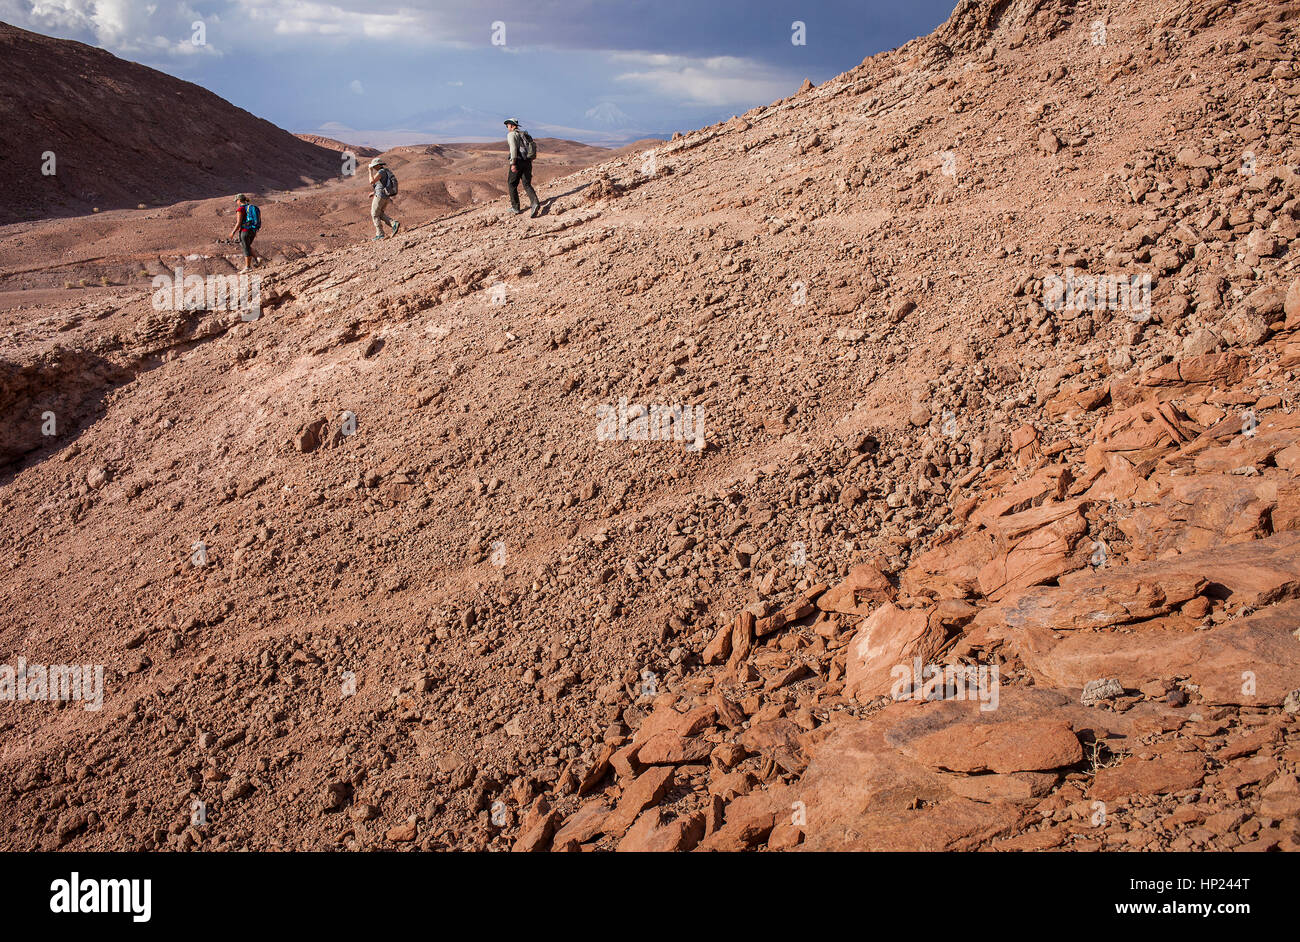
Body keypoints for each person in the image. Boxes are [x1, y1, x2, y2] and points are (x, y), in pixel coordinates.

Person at [504, 119, 540, 218]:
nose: (507, 127)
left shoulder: (512, 135)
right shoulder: (524, 134)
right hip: (528, 162)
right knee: (527, 184)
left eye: (507, 125)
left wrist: (513, 163)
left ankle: (515, 207)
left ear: (511, 126)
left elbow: (513, 149)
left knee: (511, 183)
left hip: (518, 161)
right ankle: (535, 203)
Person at [368, 158, 400, 240]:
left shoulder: (381, 172)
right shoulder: (385, 171)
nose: (373, 168)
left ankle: (380, 234)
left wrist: (370, 171)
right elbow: (382, 185)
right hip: (385, 196)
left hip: (380, 196)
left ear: (378, 165)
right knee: (379, 213)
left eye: (374, 166)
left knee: (374, 214)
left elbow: (372, 181)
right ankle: (394, 224)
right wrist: (374, 192)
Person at [228, 194, 262, 270]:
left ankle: (248, 267)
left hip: (245, 231)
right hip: (253, 230)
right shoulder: (251, 207)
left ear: (239, 200)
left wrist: (233, 232)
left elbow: (238, 222)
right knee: (247, 246)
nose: (236, 202)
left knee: (245, 248)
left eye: (236, 201)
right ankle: (258, 258)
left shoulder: (241, 209)